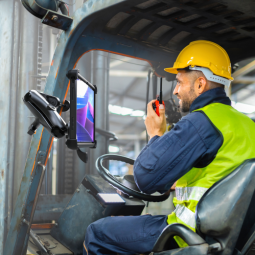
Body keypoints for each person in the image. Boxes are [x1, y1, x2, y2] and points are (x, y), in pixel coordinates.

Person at [83, 40, 255, 255]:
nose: (175, 91)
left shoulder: (201, 122)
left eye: (179, 82)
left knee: (98, 232)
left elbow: (145, 178)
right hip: (232, 237)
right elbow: (222, 170)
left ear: (200, 84)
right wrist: (176, 181)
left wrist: (156, 133)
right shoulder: (246, 124)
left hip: (190, 233)